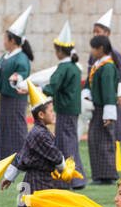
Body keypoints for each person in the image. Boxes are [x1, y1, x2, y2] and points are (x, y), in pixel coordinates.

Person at [0, 85, 89, 207]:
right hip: (35, 182)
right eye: (51, 111)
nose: (53, 114)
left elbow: (22, 156)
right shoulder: (39, 134)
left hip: (44, 179)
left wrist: (10, 176)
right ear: (41, 115)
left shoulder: (40, 131)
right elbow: (55, 156)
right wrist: (65, 171)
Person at [37, 21, 88, 192]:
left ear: (60, 51)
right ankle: (77, 177)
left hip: (65, 109)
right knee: (71, 142)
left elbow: (54, 84)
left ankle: (71, 178)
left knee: (66, 144)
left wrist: (39, 90)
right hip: (72, 109)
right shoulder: (74, 67)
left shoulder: (64, 67)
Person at [0, 7, 33, 162]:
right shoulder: (6, 56)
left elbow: (23, 74)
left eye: (5, 39)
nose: (4, 42)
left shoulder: (21, 58)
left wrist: (17, 79)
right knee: (3, 128)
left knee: (17, 128)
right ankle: (3, 157)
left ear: (12, 41)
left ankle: (22, 158)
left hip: (16, 99)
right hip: (5, 98)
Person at [90, 7, 121, 148]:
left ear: (107, 33)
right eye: (94, 32)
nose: (95, 34)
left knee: (112, 130)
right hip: (98, 100)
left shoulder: (114, 55)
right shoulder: (93, 56)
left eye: (98, 32)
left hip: (111, 98)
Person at [85, 34, 119, 184]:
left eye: (93, 48)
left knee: (104, 142)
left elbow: (109, 92)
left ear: (101, 49)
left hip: (104, 110)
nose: (91, 51)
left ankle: (107, 175)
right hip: (97, 108)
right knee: (95, 141)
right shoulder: (98, 65)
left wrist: (108, 114)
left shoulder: (108, 67)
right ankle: (99, 174)